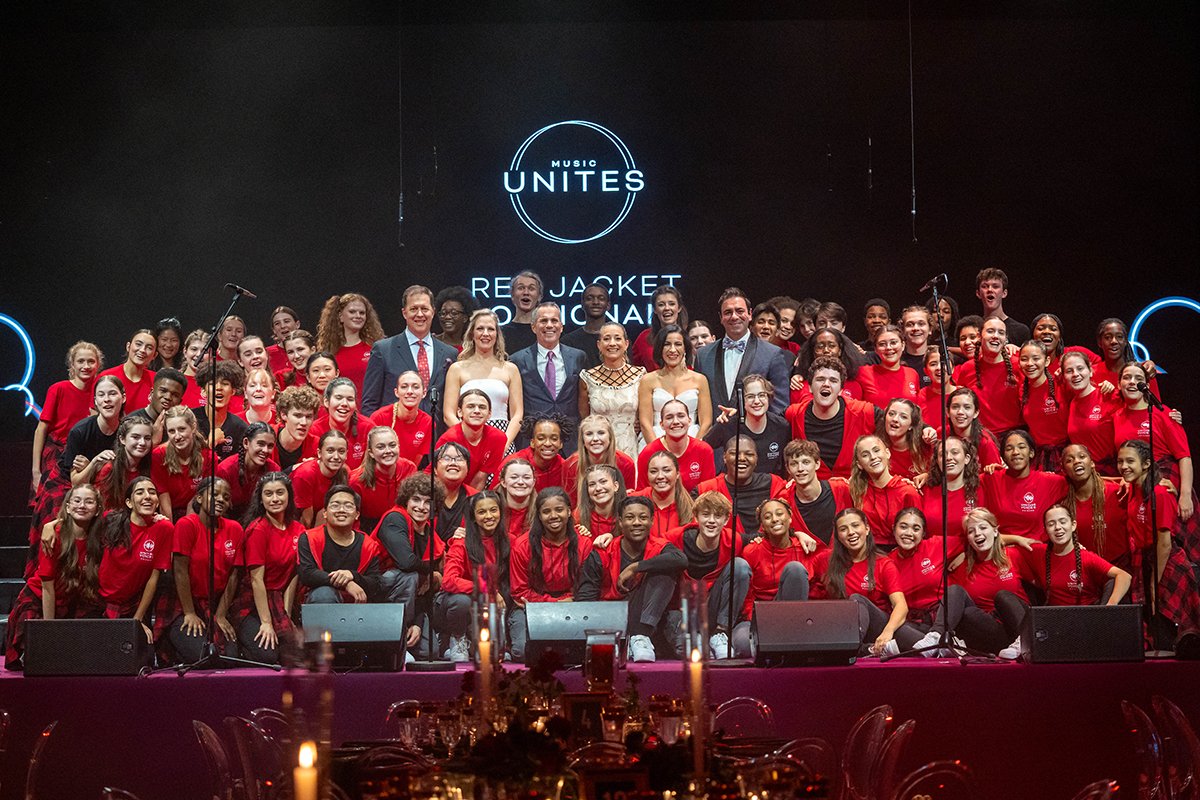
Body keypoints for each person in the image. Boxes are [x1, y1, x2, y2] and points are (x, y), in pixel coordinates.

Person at [576, 495, 687, 662]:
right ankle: (630, 641)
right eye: (630, 517)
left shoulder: (660, 546)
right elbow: (586, 598)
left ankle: (640, 636)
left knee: (665, 571)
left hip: (649, 620)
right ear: (620, 522)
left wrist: (636, 567)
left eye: (643, 517)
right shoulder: (602, 553)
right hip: (611, 618)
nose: (636, 522)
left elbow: (681, 560)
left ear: (651, 521)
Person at [5, 485, 103, 669]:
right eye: (77, 500)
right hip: (41, 598)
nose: (82, 505)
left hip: (72, 598)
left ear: (98, 509)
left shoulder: (98, 536)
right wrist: (49, 629)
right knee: (40, 649)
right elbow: (47, 587)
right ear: (67, 507)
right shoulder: (53, 536)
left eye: (89, 501)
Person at [1116, 439, 1200, 653]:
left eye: (1130, 461)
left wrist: (1155, 582)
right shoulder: (1135, 488)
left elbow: (1164, 543)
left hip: (1166, 564)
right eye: (1120, 461)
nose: (1124, 466)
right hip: (1145, 561)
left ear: (1145, 464)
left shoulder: (1160, 493)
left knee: (1177, 630)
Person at [811, 508, 925, 657]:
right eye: (843, 529)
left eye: (855, 525)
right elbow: (797, 575)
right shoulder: (824, 560)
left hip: (878, 627)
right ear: (838, 536)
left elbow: (900, 606)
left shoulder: (883, 563)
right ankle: (862, 649)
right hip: (841, 627)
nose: (851, 532)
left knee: (927, 646)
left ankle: (858, 649)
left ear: (866, 528)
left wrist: (887, 632)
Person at [1112, 362, 1196, 545]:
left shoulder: (1164, 414)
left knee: (1169, 542)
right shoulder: (1117, 416)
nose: (1132, 382)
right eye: (1127, 378)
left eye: (1138, 379)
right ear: (1119, 384)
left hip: (1164, 481)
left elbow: (1184, 457)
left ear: (1147, 386)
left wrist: (1185, 495)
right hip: (1138, 485)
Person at [508, 488, 594, 661]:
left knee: (582, 654)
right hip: (530, 608)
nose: (553, 515)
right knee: (523, 652)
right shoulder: (522, 545)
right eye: (546, 511)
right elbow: (519, 592)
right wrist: (555, 603)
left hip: (574, 606)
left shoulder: (584, 543)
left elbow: (587, 586)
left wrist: (569, 601)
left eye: (559, 509)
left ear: (569, 511)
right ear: (539, 516)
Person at [661, 491, 750, 659]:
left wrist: (796, 533)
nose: (711, 521)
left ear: (726, 520)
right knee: (693, 653)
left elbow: (761, 537)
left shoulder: (733, 540)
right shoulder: (676, 537)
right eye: (706, 514)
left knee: (740, 566)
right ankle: (699, 640)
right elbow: (648, 545)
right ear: (696, 517)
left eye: (718, 516)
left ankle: (720, 633)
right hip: (682, 610)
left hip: (712, 610)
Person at [168, 478, 245, 662]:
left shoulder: (235, 529)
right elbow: (180, 571)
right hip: (185, 603)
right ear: (200, 498)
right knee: (203, 657)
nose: (221, 500)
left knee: (229, 657)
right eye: (215, 494)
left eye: (226, 497)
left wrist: (220, 614)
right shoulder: (187, 524)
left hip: (215, 605)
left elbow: (234, 576)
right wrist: (189, 613)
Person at [733, 498, 820, 656]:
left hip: (792, 619)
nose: (774, 519)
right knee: (744, 644)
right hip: (758, 619)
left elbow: (817, 587)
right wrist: (758, 621)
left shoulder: (805, 548)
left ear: (790, 517)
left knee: (795, 569)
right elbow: (747, 596)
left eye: (779, 514)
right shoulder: (752, 551)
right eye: (767, 517)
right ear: (762, 525)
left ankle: (790, 640)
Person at [944, 507, 1035, 658]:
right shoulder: (963, 567)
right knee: (967, 614)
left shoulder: (1014, 555)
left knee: (1003, 596)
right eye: (971, 531)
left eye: (983, 527)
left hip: (1020, 622)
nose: (977, 533)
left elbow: (1042, 576)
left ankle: (1026, 641)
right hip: (993, 632)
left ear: (995, 531)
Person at [371, 473, 442, 659]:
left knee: (430, 652)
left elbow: (422, 588)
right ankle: (397, 643)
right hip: (378, 590)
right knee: (408, 576)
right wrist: (431, 572)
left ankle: (411, 628)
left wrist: (418, 622)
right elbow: (406, 562)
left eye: (428, 502)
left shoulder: (429, 532)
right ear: (406, 500)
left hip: (409, 598)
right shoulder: (395, 518)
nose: (421, 507)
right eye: (416, 500)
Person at [235, 472, 303, 663]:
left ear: (289, 495)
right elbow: (256, 580)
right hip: (254, 603)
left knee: (295, 656)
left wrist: (287, 615)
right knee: (268, 655)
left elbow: (293, 576)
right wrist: (266, 623)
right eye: (268, 494)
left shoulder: (298, 529)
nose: (275, 499)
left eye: (280, 493)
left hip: (280, 601)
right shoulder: (258, 529)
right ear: (261, 499)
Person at [695, 287, 791, 419]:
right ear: (720, 317)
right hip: (714, 436)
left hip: (755, 435)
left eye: (740, 311)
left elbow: (780, 405)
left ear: (750, 314)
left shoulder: (772, 354)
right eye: (728, 312)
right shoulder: (703, 355)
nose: (734, 316)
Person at [362, 284, 457, 418]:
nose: (419, 314)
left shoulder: (449, 354)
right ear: (404, 313)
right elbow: (369, 403)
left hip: (436, 435)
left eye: (424, 309)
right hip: (394, 434)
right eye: (413, 309)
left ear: (433, 312)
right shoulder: (383, 350)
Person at [436, 490, 510, 661]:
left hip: (491, 605)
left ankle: (500, 641)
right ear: (473, 517)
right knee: (462, 601)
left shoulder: (509, 541)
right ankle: (457, 639)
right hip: (459, 602)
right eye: (481, 512)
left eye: (493, 510)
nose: (489, 516)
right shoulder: (461, 543)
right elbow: (448, 581)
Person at [97, 477, 172, 643]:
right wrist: (51, 525)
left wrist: (137, 620)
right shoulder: (109, 520)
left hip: (132, 606)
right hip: (97, 601)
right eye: (140, 492)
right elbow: (77, 519)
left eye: (152, 492)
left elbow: (153, 578)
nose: (147, 496)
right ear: (129, 503)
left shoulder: (164, 528)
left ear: (157, 502)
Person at [510, 302, 588, 455]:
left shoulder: (578, 357)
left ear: (561, 326)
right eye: (543, 321)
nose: (549, 325)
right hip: (532, 439)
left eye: (554, 320)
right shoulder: (517, 360)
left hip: (570, 441)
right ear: (533, 327)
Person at [1014, 505, 1131, 607]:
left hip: (1087, 618)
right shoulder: (1038, 552)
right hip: (1056, 620)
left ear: (1073, 525)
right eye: (1051, 524)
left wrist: (1110, 606)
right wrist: (1017, 539)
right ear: (1045, 530)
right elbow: (997, 542)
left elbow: (1124, 576)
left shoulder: (1086, 557)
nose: (1058, 527)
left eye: (1063, 522)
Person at [785, 357, 881, 479]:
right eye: (820, 379)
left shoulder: (864, 412)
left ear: (841, 390)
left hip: (855, 491)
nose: (826, 384)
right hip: (813, 493)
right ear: (809, 387)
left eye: (833, 380)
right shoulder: (794, 414)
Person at [443, 309, 524, 452]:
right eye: (480, 328)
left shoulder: (510, 369)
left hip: (502, 441)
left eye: (490, 329)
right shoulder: (457, 369)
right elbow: (449, 414)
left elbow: (517, 414)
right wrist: (469, 440)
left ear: (497, 335)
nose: (485, 333)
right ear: (472, 334)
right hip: (467, 442)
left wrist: (503, 444)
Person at [887, 508, 963, 657]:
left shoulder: (936, 545)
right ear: (894, 529)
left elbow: (978, 539)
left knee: (955, 590)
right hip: (914, 625)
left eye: (916, 529)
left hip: (943, 620)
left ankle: (937, 637)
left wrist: (965, 552)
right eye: (903, 527)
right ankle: (944, 648)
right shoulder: (886, 562)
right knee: (895, 628)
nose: (909, 533)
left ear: (923, 534)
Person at [31, 341, 103, 494]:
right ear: (72, 364)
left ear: (98, 364)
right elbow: (40, 430)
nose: (86, 366)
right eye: (81, 361)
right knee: (54, 504)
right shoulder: (58, 389)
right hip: (56, 455)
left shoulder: (101, 393)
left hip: (84, 455)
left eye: (91, 361)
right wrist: (36, 471)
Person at [298, 486, 381, 604]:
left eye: (348, 506)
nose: (341, 510)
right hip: (319, 599)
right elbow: (307, 574)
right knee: (324, 593)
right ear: (325, 513)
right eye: (335, 505)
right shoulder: (309, 538)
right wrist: (347, 583)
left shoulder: (369, 545)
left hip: (357, 602)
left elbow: (376, 583)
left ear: (357, 514)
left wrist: (353, 575)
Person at [981, 429, 1067, 542]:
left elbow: (1083, 484)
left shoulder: (1050, 481)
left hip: (1038, 551)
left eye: (1021, 447)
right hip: (1002, 551)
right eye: (1009, 449)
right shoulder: (991, 478)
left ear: (1031, 453)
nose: (1015, 452)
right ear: (1003, 457)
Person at [579, 321, 645, 459]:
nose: (612, 343)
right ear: (599, 345)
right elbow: (585, 420)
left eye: (618, 338)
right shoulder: (587, 378)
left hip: (632, 447)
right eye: (606, 339)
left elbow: (645, 417)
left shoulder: (641, 375)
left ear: (626, 344)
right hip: (598, 449)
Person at [695, 436, 787, 534]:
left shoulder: (774, 484)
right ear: (724, 457)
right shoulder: (705, 490)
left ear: (756, 459)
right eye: (734, 453)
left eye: (749, 454)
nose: (742, 458)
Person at [639, 324, 713, 444]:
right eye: (667, 344)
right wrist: (658, 451)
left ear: (685, 348)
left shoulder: (699, 380)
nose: (672, 350)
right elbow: (645, 423)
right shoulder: (648, 380)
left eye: (678, 344)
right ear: (660, 348)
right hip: (655, 442)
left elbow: (706, 422)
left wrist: (694, 448)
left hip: (692, 441)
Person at [706, 374, 790, 476]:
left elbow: (788, 462)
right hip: (735, 488)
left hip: (770, 488)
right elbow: (701, 448)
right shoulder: (728, 424)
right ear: (742, 401)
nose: (757, 401)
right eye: (750, 397)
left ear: (769, 397)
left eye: (762, 395)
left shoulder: (781, 426)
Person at [847, 435, 920, 549]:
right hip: (867, 551)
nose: (873, 457)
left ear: (887, 453)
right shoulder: (855, 491)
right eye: (865, 455)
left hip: (901, 552)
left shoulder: (907, 491)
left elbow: (918, 531)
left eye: (876, 450)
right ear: (859, 464)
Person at [1060, 443, 1129, 565]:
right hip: (1084, 567)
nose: (1077, 461)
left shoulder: (1119, 491)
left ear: (1092, 463)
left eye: (1082, 456)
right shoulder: (1063, 501)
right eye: (1069, 460)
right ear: (1064, 469)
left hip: (1121, 565)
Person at [953, 316, 1021, 436]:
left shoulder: (1018, 365)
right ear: (980, 336)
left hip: (1014, 437)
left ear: (1005, 339)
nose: (995, 335)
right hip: (980, 436)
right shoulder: (967, 368)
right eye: (990, 331)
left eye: (1001, 332)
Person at [777, 439, 852, 545]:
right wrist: (796, 534)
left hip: (843, 558)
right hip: (804, 559)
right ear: (788, 469)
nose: (800, 469)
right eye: (794, 464)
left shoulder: (842, 489)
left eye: (806, 462)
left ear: (817, 464)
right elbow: (769, 533)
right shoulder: (783, 500)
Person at [636, 399, 715, 493]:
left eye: (681, 416)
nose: (676, 421)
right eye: (669, 418)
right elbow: (642, 494)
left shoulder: (704, 450)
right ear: (661, 424)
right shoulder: (648, 453)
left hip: (695, 506)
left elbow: (709, 492)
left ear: (689, 421)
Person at [1061, 351, 1121, 475]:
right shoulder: (1071, 403)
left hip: (1111, 474)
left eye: (1080, 368)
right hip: (1083, 474)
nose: (1075, 374)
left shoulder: (1108, 396)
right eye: (1069, 371)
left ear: (1090, 371)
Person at [436, 389, 508, 490]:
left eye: (482, 407)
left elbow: (480, 478)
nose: (477, 411)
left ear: (489, 414)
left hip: (470, 489)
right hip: (442, 486)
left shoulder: (498, 438)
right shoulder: (449, 439)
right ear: (460, 412)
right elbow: (440, 478)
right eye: (471, 406)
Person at [315, 292, 385, 395]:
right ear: (341, 316)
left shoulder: (375, 348)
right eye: (352, 312)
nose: (358, 316)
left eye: (362, 313)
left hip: (369, 409)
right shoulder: (328, 352)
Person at [351, 426, 417, 533]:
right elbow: (353, 521)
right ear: (371, 452)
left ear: (398, 447)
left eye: (392, 445)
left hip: (403, 526)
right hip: (368, 531)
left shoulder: (410, 469)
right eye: (380, 447)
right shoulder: (356, 481)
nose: (388, 451)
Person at [563, 415, 637, 506]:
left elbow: (628, 504)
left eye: (601, 433)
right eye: (589, 434)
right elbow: (571, 505)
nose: (595, 439)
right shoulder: (571, 465)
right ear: (582, 439)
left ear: (610, 437)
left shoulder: (626, 463)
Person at [150, 405, 207, 522]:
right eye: (171, 431)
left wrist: (186, 527)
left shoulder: (209, 456)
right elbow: (164, 502)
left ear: (193, 427)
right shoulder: (158, 456)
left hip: (197, 514)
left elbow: (201, 498)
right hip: (168, 514)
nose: (177, 436)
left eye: (182, 429)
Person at [1018, 340, 1068, 471]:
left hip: (1065, 455)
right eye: (1024, 359)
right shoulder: (1021, 389)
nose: (1030, 364)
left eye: (1036, 358)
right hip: (1038, 457)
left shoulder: (1062, 383)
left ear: (1046, 361)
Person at [369, 370, 434, 469]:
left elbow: (415, 463)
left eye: (415, 387)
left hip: (406, 475)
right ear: (396, 392)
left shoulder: (428, 422)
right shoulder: (379, 418)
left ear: (424, 393)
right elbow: (369, 456)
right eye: (404, 387)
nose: (410, 392)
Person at [305, 377, 371, 470]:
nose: (344, 403)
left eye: (350, 399)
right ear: (326, 402)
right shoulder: (313, 430)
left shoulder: (368, 428)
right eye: (338, 398)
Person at [216, 423, 279, 519]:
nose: (265, 450)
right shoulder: (225, 470)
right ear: (246, 443)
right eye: (260, 444)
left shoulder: (274, 470)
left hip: (259, 523)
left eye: (270, 446)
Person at [920, 436, 980, 539]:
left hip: (968, 553)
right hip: (932, 552)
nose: (948, 458)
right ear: (937, 461)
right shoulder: (924, 489)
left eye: (955, 452)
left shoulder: (981, 487)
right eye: (942, 454)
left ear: (967, 459)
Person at [494, 415, 569, 494]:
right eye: (541, 438)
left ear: (561, 444)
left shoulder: (565, 468)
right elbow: (494, 499)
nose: (547, 443)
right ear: (532, 442)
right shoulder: (512, 463)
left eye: (554, 439)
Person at [629, 451, 695, 541]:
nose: (660, 476)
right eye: (653, 471)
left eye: (667, 470)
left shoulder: (691, 509)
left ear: (677, 474)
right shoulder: (633, 501)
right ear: (647, 475)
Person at [93, 416, 154, 511]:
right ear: (122, 439)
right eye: (135, 437)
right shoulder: (109, 469)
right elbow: (101, 507)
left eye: (147, 438)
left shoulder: (150, 467)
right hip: (112, 521)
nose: (142, 443)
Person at [790, 327, 867, 402]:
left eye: (832, 346)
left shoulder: (855, 386)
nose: (826, 350)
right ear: (813, 352)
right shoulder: (799, 386)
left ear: (840, 351)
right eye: (820, 346)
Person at [291, 429, 350, 527]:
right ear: (319, 453)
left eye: (341, 451)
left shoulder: (345, 472)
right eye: (330, 451)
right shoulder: (305, 473)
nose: (336, 456)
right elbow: (305, 520)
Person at [193, 360, 248, 462]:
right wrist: (210, 443)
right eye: (212, 384)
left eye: (225, 384)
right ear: (203, 391)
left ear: (233, 391)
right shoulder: (189, 420)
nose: (218, 388)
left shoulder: (240, 428)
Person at [126, 368, 188, 446]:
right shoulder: (130, 421)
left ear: (180, 402)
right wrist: (153, 442)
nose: (168, 397)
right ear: (152, 392)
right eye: (163, 391)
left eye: (175, 395)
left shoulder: (181, 428)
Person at [946, 387, 1003, 470]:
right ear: (947, 412)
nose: (960, 412)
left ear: (976, 413)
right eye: (955, 407)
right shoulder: (942, 434)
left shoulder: (985, 442)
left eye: (967, 407)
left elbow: (995, 478)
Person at [632, 285, 687, 370]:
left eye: (671, 304)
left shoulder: (689, 337)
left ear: (679, 308)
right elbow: (633, 369)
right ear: (654, 309)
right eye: (661, 305)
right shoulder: (644, 338)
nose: (667, 308)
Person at [876, 398, 931, 481]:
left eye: (903, 417)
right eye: (891, 414)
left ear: (911, 425)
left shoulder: (925, 447)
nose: (895, 419)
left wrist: (928, 476)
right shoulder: (877, 450)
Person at [560, 282, 611, 369]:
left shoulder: (618, 340)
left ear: (608, 305)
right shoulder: (568, 342)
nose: (595, 302)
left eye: (601, 298)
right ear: (582, 304)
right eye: (590, 298)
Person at [974, 268, 1030, 346]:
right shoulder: (974, 328)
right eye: (985, 286)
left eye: (995, 286)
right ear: (978, 293)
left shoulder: (1020, 330)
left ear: (1004, 293)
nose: (990, 290)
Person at [273, 385, 320, 472]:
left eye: (309, 416)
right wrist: (293, 469)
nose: (304, 422)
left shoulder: (317, 447)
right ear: (283, 414)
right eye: (298, 416)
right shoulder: (265, 437)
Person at [575, 464, 627, 539]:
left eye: (603, 482)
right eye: (592, 484)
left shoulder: (628, 513)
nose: (598, 488)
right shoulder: (578, 516)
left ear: (615, 486)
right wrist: (581, 538)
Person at [501, 270, 544, 355]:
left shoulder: (546, 332)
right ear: (512, 295)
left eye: (531, 289)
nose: (526, 292)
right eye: (521, 288)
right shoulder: (501, 334)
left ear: (539, 296)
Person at [916, 346, 957, 433]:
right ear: (926, 371)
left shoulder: (962, 396)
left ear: (952, 369)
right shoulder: (920, 396)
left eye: (944, 363)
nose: (939, 367)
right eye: (933, 364)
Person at [496, 458, 537, 539]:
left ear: (533, 482)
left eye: (526, 477)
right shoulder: (490, 509)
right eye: (514, 477)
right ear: (503, 482)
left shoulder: (542, 510)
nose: (520, 482)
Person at [433, 285, 476, 352]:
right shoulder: (432, 342)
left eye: (454, 313)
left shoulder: (472, 346)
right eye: (443, 313)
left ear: (465, 318)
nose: (447, 317)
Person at [898, 306, 933, 384]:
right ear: (902, 330)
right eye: (910, 325)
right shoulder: (896, 361)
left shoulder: (939, 359)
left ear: (930, 329)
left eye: (921, 324)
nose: (916, 328)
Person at [266, 306, 302, 374]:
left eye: (286, 321)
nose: (282, 326)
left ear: (297, 324)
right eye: (277, 323)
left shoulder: (307, 350)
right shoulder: (266, 354)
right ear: (273, 330)